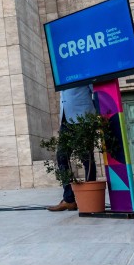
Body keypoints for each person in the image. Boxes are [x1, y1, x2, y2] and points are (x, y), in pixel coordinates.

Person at [47, 83, 97, 212]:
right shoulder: (62, 72)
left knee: (86, 158)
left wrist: (97, 115)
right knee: (62, 156)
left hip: (83, 118)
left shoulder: (83, 69)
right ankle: (69, 199)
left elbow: (96, 92)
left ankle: (89, 198)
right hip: (65, 120)